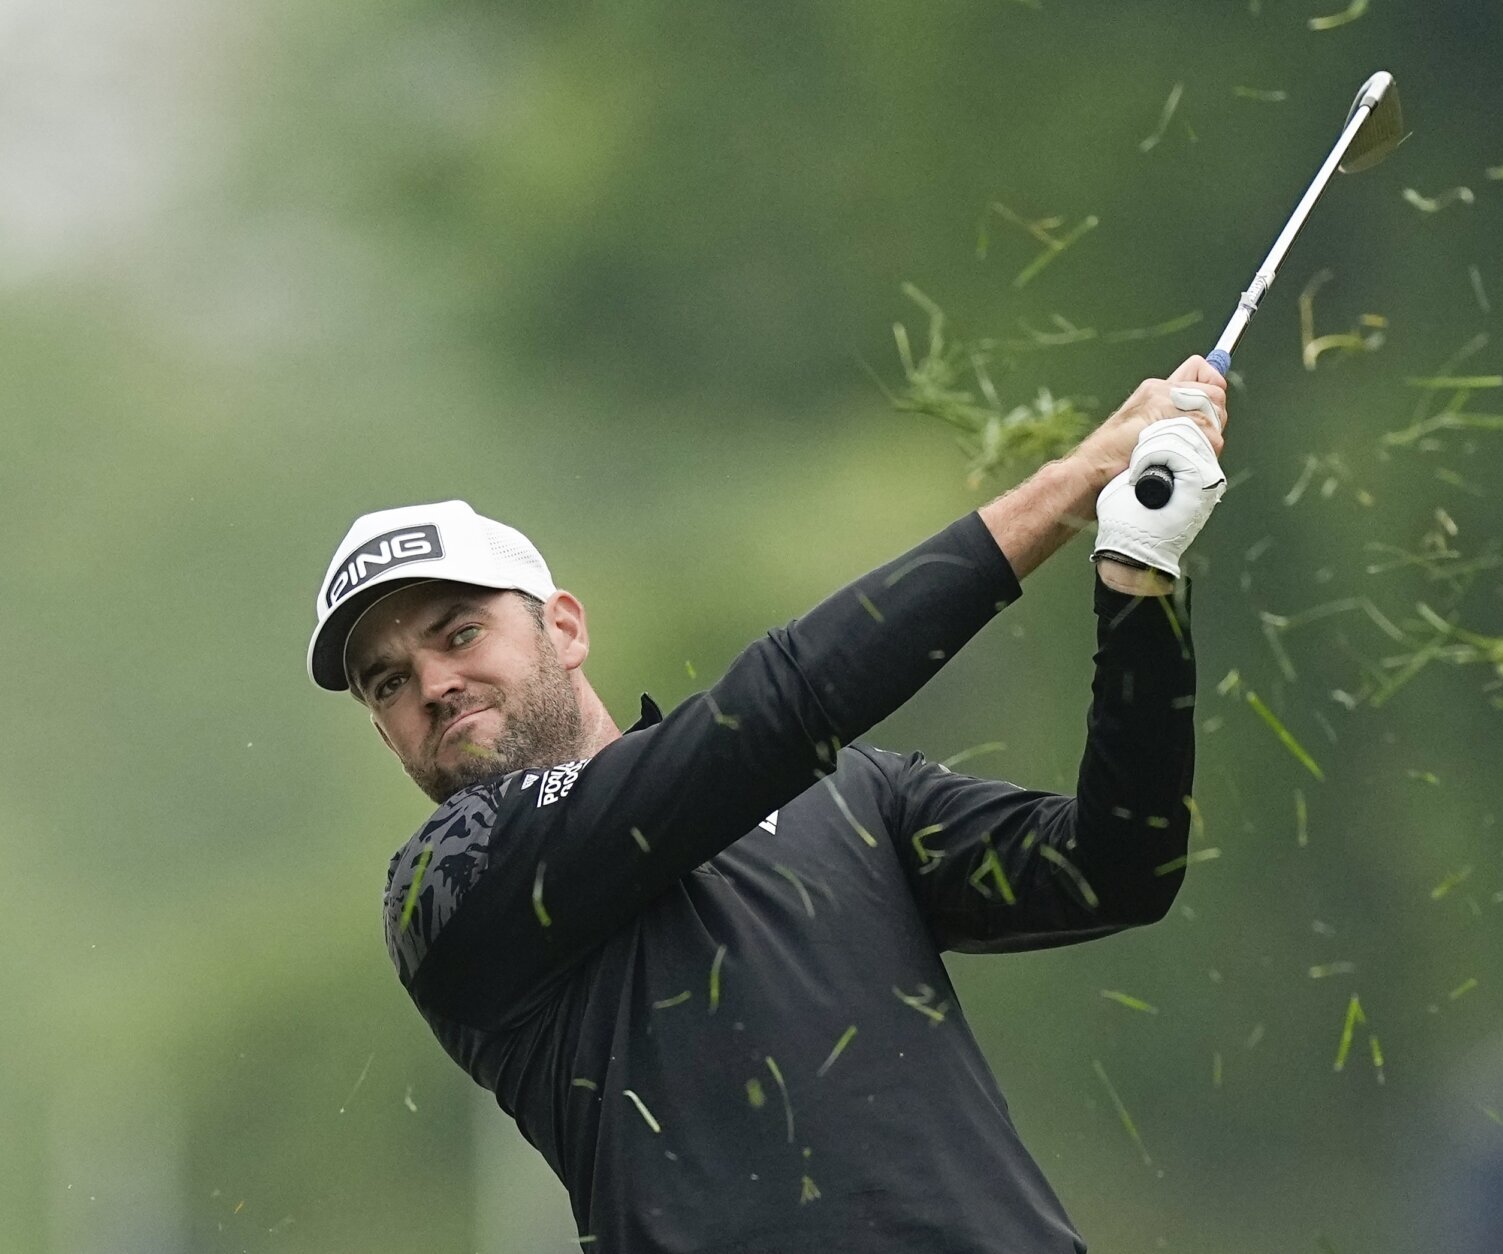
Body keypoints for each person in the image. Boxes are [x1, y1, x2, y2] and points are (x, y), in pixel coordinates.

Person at [306, 357, 1229, 1252]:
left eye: (461, 633)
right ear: (386, 734)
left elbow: (1118, 869)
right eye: (388, 683)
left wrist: (1138, 581)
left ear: (564, 627)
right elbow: (773, 716)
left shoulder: (846, 790)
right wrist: (1073, 483)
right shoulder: (448, 885)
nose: (434, 685)